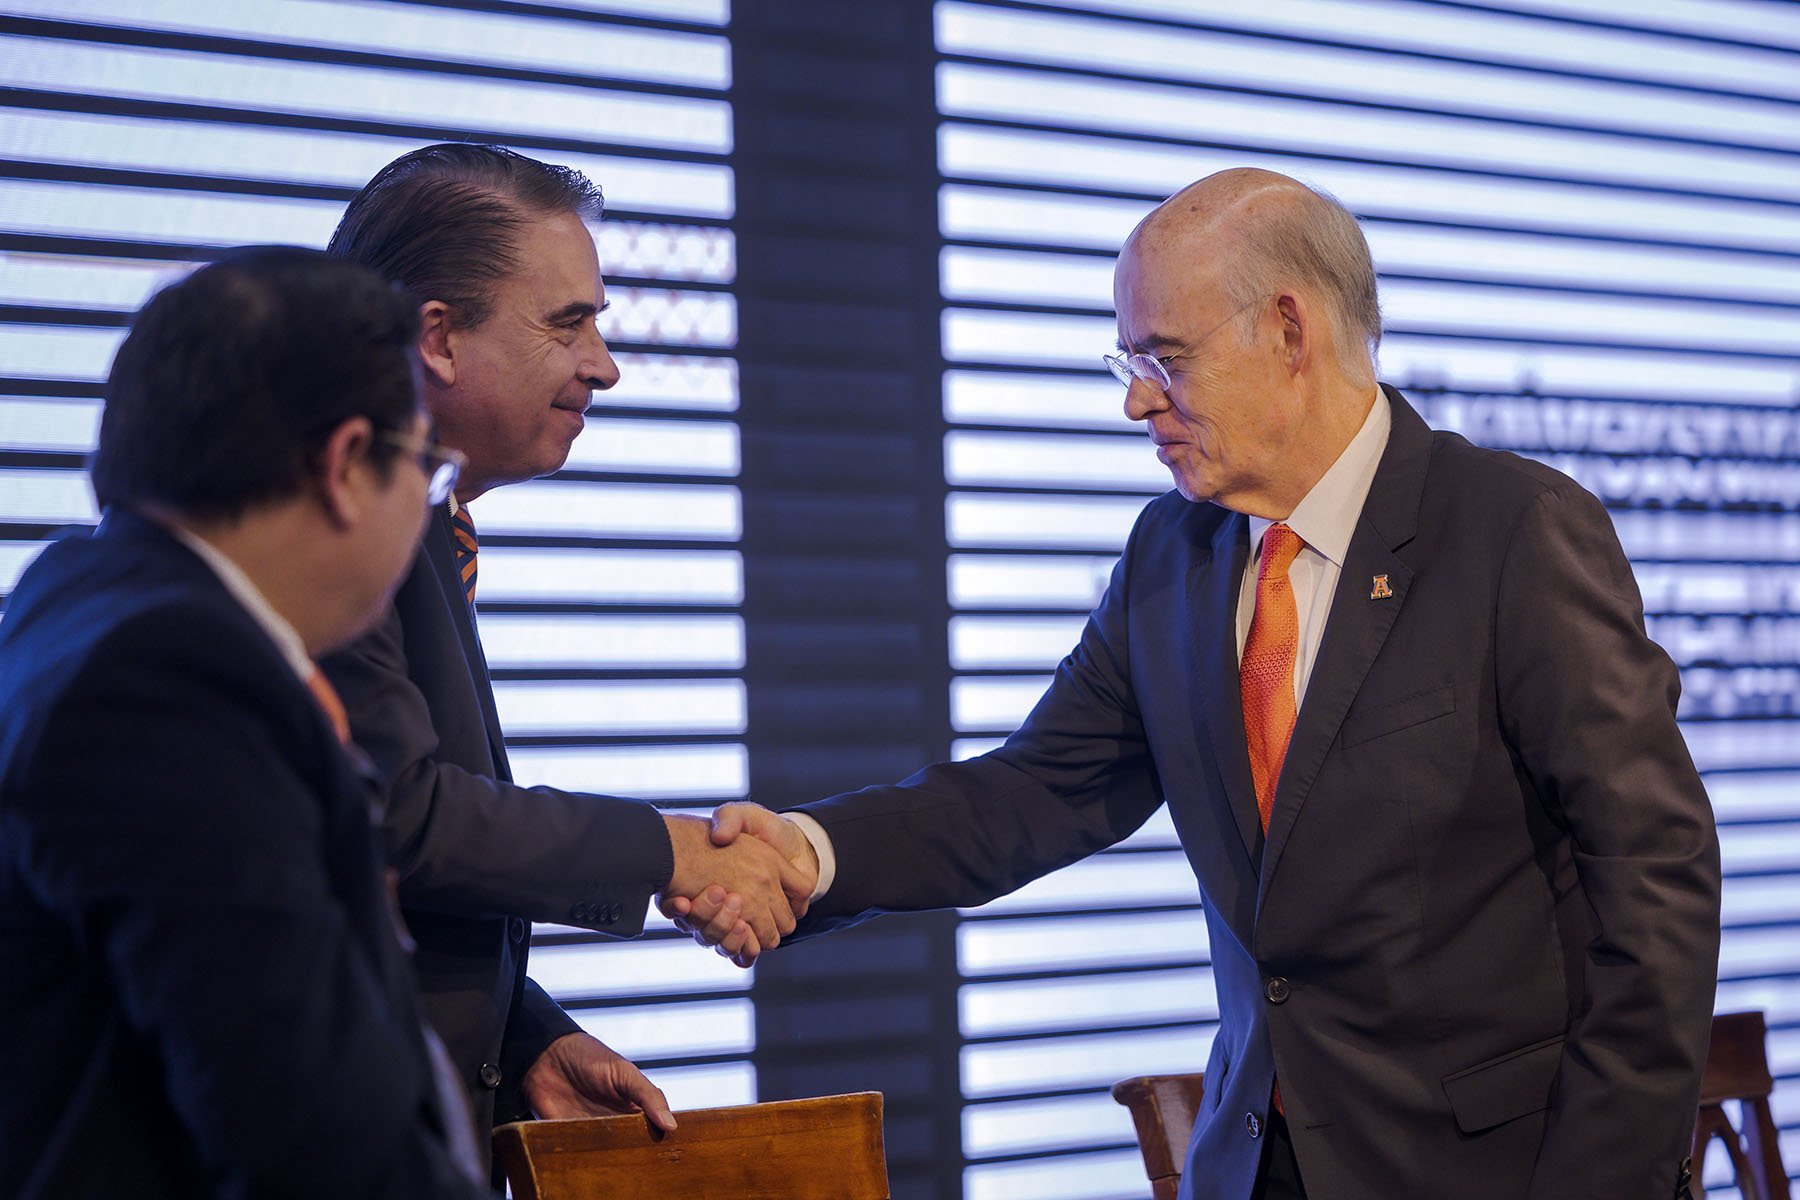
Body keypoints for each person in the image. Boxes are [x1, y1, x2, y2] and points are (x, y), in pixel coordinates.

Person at [677, 169, 1722, 1200]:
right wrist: (808, 855)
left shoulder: (1512, 531)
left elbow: (1658, 880)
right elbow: (1034, 792)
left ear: (1288, 331)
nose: (1135, 399)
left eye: (1163, 358)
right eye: (1126, 359)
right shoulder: (1171, 554)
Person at [320, 142, 807, 1168]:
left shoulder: (426, 525)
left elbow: (388, 899)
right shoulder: (321, 522)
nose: (604, 362)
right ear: (437, 338)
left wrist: (527, 1039)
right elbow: (397, 817)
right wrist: (670, 848)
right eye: (567, 322)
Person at [0, 247, 490, 1199]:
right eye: (425, 469)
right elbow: (313, 1142)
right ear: (347, 465)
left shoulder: (74, 602)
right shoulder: (170, 689)